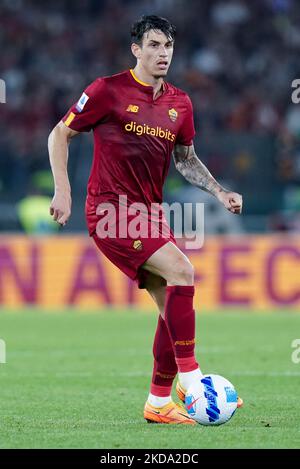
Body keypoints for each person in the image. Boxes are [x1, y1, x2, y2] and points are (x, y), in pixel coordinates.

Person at [48, 15, 243, 425]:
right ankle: (193, 382)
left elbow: (186, 161)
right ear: (136, 49)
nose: (162, 53)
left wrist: (219, 191)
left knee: (169, 306)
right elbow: (59, 134)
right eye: (153, 45)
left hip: (150, 214)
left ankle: (158, 403)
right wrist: (62, 190)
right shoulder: (107, 90)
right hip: (110, 211)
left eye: (168, 46)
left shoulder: (180, 103)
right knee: (182, 270)